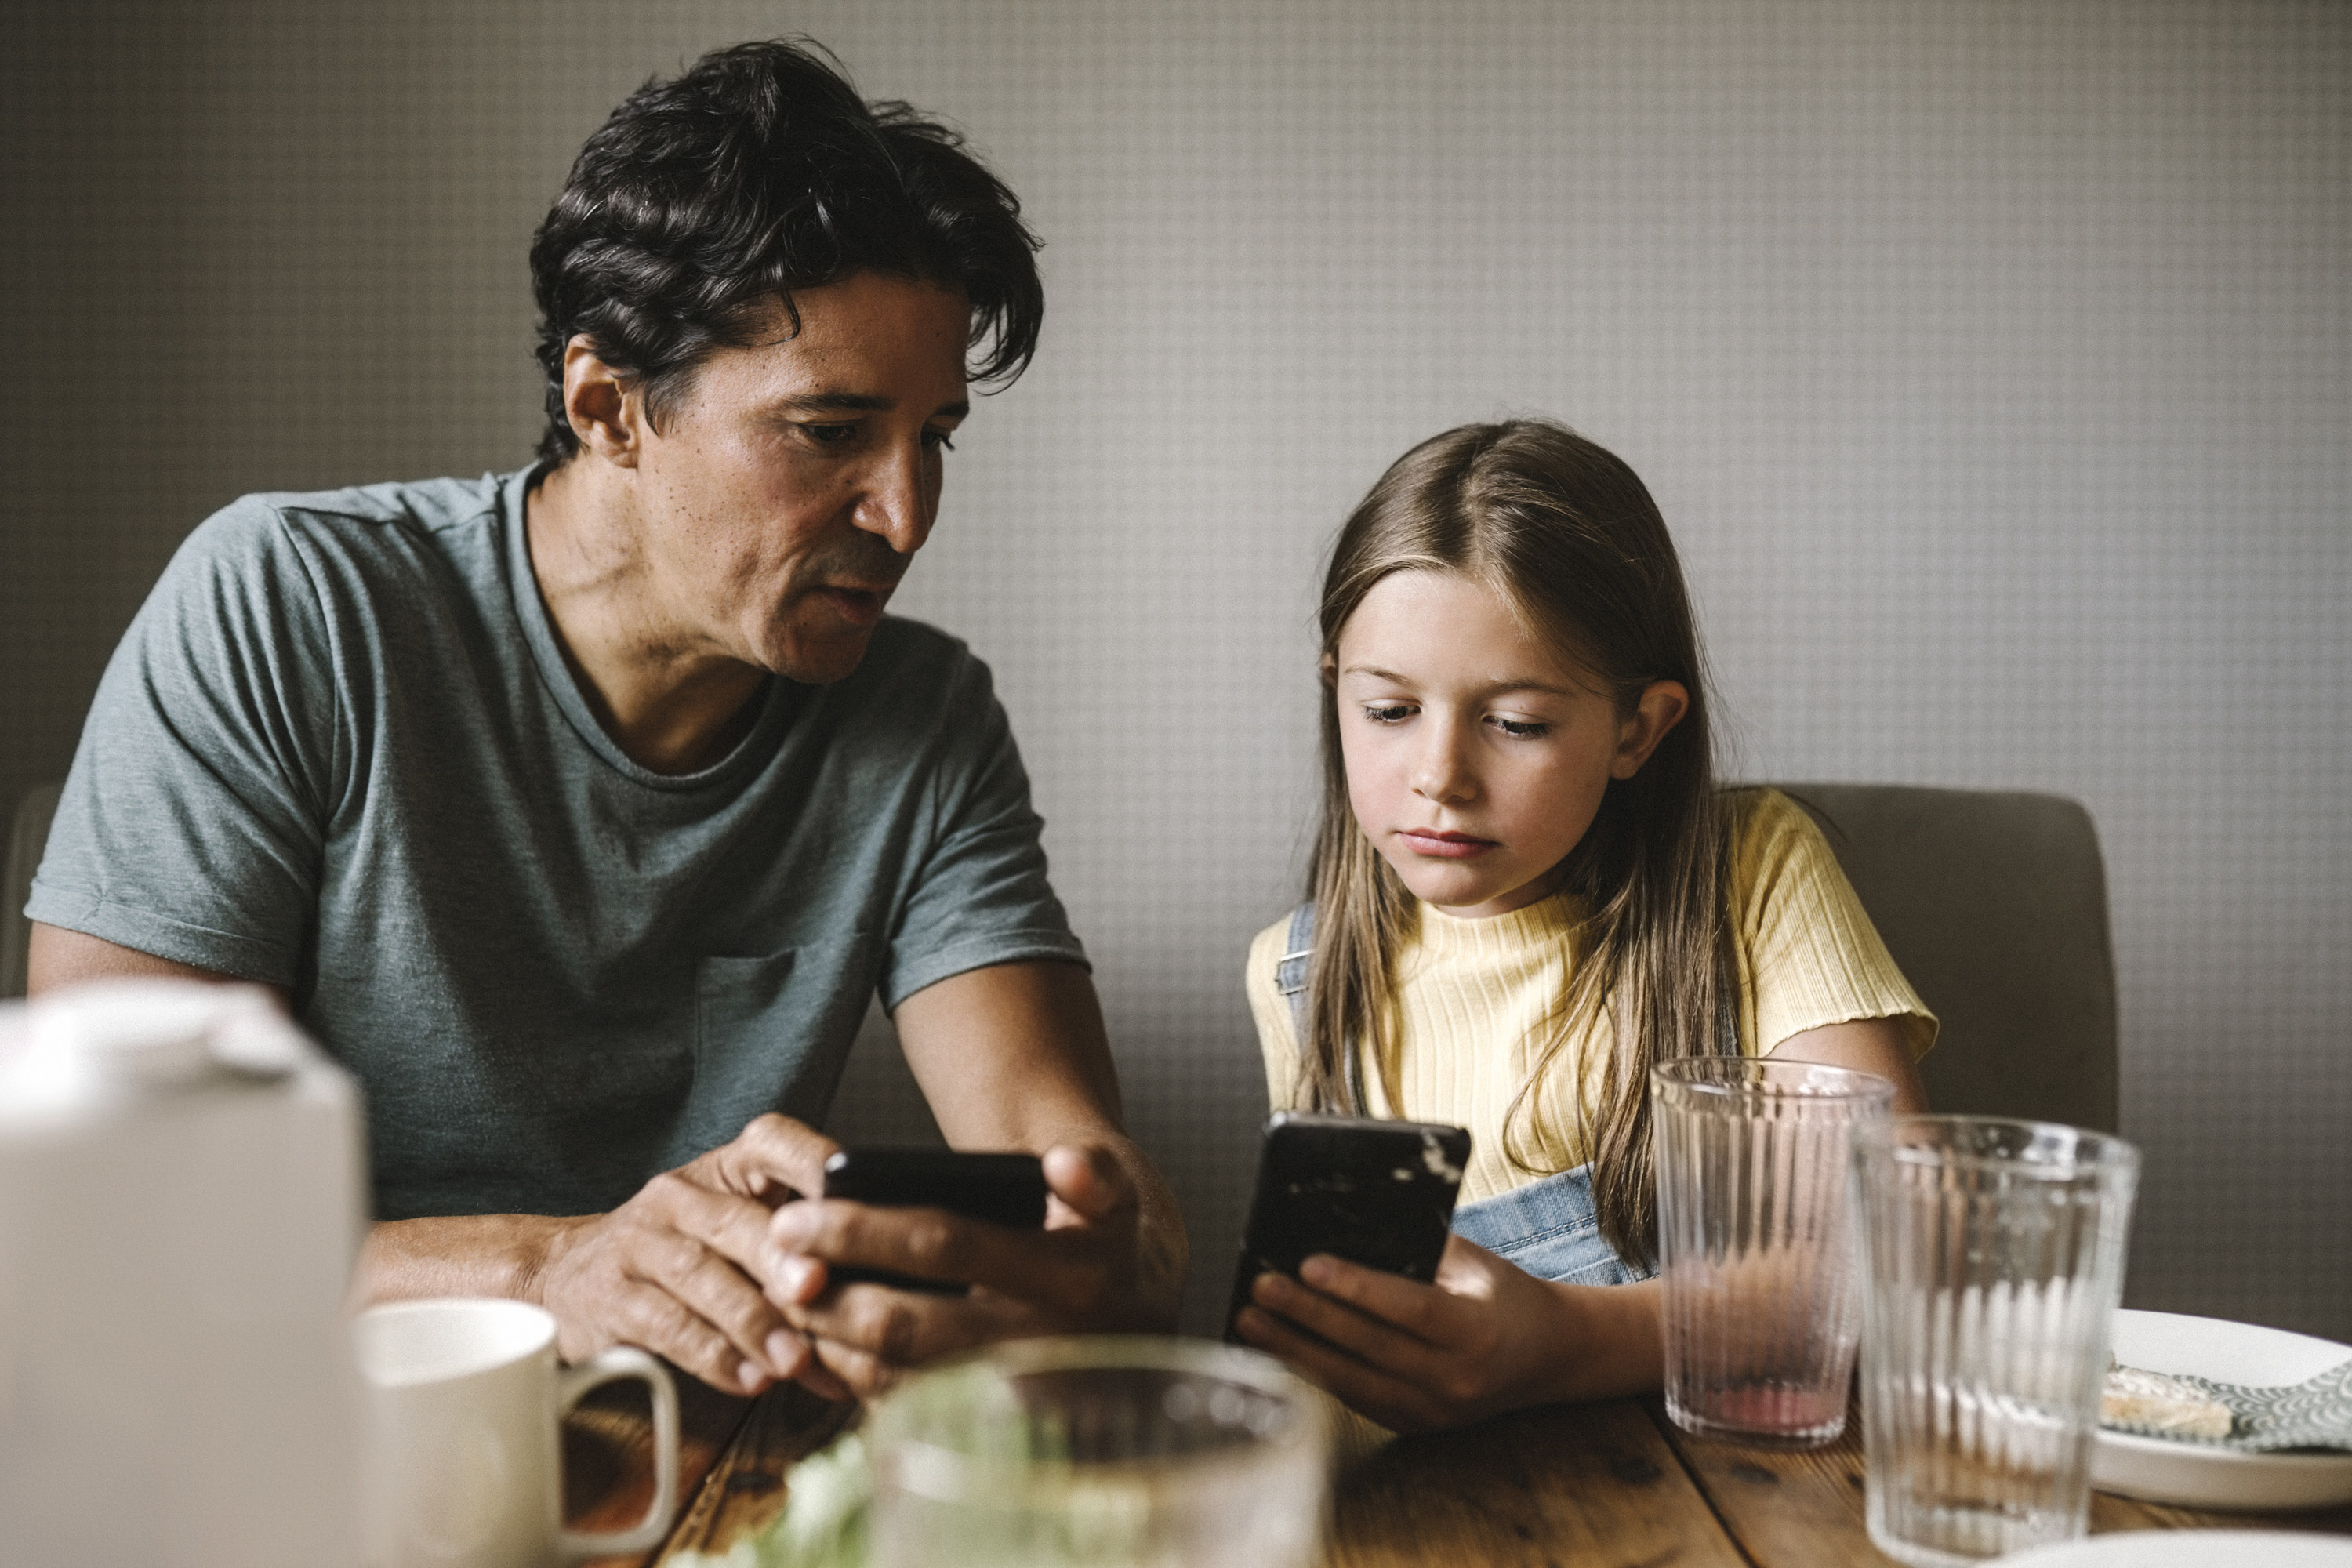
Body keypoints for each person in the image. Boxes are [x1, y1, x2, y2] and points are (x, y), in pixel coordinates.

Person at [25, 39, 1184, 1399]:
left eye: (935, 436)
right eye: (830, 432)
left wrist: (1080, 1269)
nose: (907, 515)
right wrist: (545, 1271)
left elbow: (1106, 1203)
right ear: (608, 407)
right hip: (295, 1432)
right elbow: (109, 1223)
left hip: (702, 1450)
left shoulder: (922, 720)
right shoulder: (287, 606)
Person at [1230, 419, 1934, 1432]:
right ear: (1334, 686)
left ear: (1637, 730)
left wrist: (1566, 1341)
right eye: (1387, 711)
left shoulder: (1752, 872)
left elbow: (1888, 1250)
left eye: (1516, 724)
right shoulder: (1296, 973)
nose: (1440, 776)